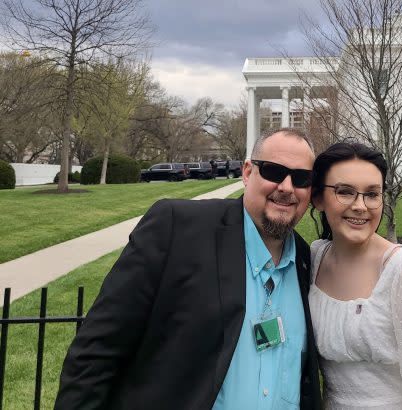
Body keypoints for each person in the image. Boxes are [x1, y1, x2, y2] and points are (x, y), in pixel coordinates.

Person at [54, 128, 322, 410]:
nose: (287, 187)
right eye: (273, 171)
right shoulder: (176, 229)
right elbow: (96, 354)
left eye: (301, 178)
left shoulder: (307, 262)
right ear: (247, 172)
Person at [308, 142, 402, 409]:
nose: (360, 206)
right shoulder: (314, 258)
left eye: (372, 194)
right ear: (318, 198)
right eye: (345, 192)